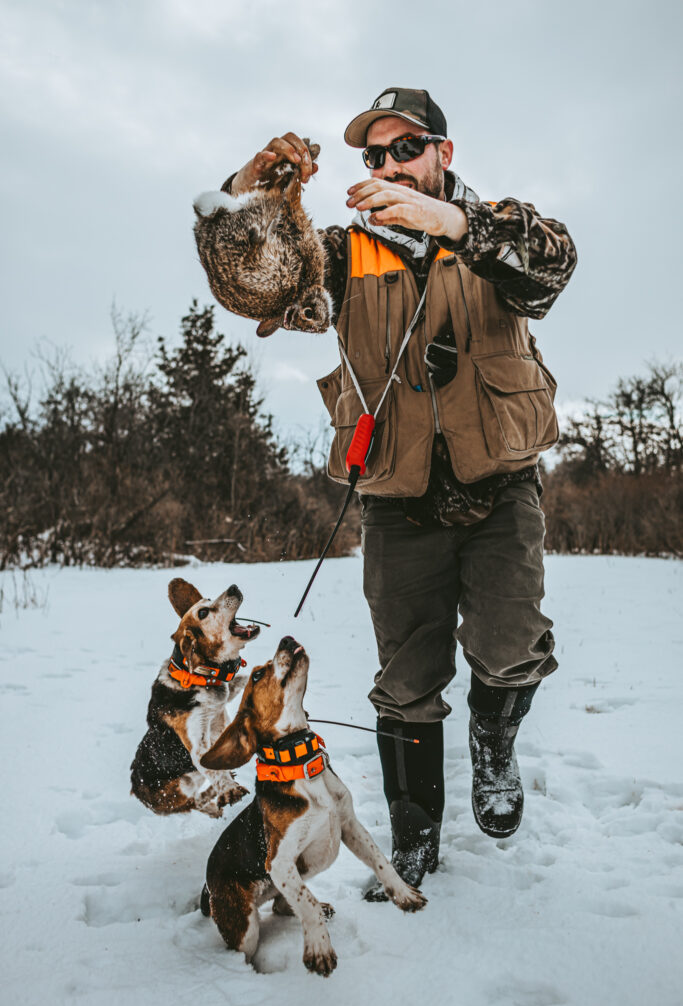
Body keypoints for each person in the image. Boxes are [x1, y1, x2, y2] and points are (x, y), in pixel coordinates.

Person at [216, 87, 577, 898]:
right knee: (405, 681)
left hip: (498, 485)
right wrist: (248, 200)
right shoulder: (343, 256)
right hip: (395, 496)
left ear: (442, 155)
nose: (387, 166)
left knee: (511, 645)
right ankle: (412, 837)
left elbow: (554, 264)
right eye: (373, 156)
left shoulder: (498, 237)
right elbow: (261, 287)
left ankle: (492, 741)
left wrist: (453, 226)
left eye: (404, 149)